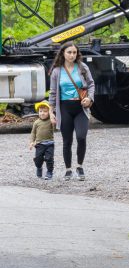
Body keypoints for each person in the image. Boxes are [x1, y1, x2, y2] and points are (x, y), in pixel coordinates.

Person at [48, 42, 95, 181]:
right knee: (67, 140)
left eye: (74, 53)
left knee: (81, 137)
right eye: (69, 52)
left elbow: (91, 84)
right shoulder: (57, 71)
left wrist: (89, 98)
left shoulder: (82, 67)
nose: (72, 55)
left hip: (81, 107)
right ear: (63, 53)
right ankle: (68, 169)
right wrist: (51, 112)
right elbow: (53, 92)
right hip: (64, 108)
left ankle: (80, 167)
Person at [28, 100, 55, 180]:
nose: (42, 113)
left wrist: (52, 116)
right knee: (38, 159)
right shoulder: (36, 122)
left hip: (50, 143)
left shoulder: (51, 121)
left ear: (49, 112)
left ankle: (49, 172)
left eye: (45, 111)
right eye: (40, 111)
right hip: (39, 144)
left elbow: (56, 125)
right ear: (38, 112)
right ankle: (39, 167)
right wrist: (32, 142)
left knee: (49, 159)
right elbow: (33, 133)